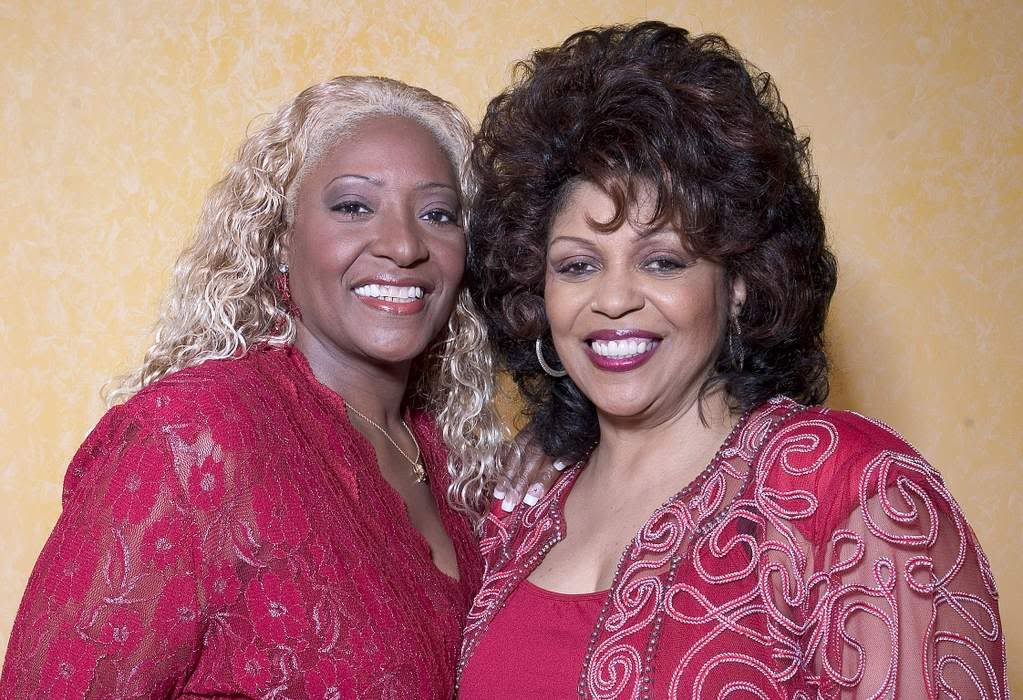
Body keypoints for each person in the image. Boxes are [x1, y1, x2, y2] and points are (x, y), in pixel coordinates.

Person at [456, 22, 1006, 698]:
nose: (614, 299)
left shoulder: (849, 493)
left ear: (738, 283)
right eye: (577, 266)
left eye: (663, 261)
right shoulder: (519, 514)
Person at [0, 75, 508, 698]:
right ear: (279, 239)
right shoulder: (192, 436)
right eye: (353, 206)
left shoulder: (458, 463)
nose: (404, 245)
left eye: (437, 214)